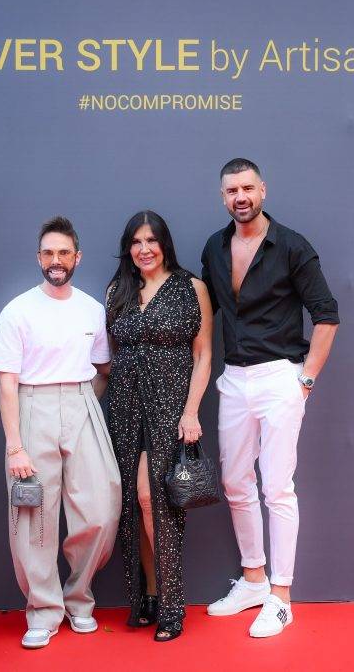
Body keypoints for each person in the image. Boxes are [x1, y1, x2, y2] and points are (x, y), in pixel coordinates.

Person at [201, 158, 340, 637]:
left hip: (281, 376)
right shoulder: (215, 247)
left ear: (262, 190)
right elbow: (205, 310)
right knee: (235, 483)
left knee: (277, 487)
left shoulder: (293, 246)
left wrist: (306, 381)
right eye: (231, 191)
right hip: (234, 380)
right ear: (223, 197)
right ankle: (254, 580)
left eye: (247, 188)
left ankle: (281, 596)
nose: (240, 197)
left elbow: (327, 316)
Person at [0, 216, 122, 649]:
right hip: (32, 406)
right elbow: (7, 383)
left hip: (82, 402)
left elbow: (103, 368)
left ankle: (79, 599)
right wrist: (15, 446)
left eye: (64, 252)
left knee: (100, 509)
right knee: (34, 516)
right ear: (38, 258)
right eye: (48, 253)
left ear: (77, 257)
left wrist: (82, 403)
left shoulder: (91, 309)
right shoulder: (17, 311)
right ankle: (43, 611)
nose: (56, 260)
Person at [104, 210, 213, 642]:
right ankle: (148, 595)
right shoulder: (117, 290)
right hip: (125, 408)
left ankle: (171, 602)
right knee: (133, 504)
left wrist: (192, 411)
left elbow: (203, 354)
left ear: (164, 243)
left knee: (156, 502)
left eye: (151, 240)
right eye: (136, 241)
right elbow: (109, 358)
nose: (144, 249)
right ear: (128, 248)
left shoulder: (191, 288)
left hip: (170, 409)